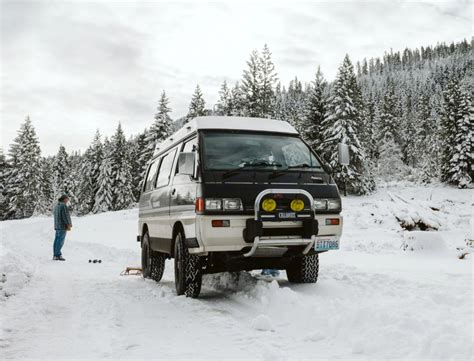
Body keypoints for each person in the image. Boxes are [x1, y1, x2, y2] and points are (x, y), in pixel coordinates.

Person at [53, 194, 72, 261]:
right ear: (64, 199)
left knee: (56, 240)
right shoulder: (63, 206)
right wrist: (68, 224)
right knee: (60, 241)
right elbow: (65, 216)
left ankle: (55, 255)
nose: (68, 201)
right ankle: (58, 255)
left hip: (57, 226)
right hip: (62, 226)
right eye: (67, 199)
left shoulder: (57, 205)